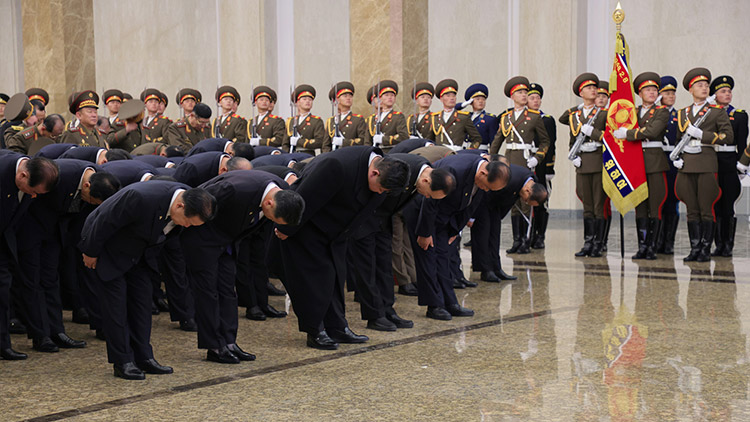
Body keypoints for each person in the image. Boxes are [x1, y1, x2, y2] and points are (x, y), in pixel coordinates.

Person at [271, 146, 409, 350]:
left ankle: (337, 326)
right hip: (307, 228)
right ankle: (315, 330)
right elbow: (305, 198)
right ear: (374, 172)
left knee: (336, 277)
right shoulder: (335, 166)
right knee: (314, 282)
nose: (381, 193)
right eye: (381, 188)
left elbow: (367, 210)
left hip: (337, 232)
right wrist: (286, 228)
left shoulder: (384, 173)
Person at [79, 181, 217, 379]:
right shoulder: (140, 197)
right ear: (180, 206)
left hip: (141, 254)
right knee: (116, 308)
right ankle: (122, 361)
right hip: (110, 250)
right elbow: (103, 220)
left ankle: (144, 357)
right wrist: (90, 251)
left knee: (142, 306)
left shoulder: (187, 199)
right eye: (188, 222)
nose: (187, 227)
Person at [182, 170, 304, 363]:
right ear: (269, 203)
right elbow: (197, 203)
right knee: (208, 292)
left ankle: (229, 342)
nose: (270, 220)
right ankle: (214, 346)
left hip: (229, 241)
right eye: (272, 218)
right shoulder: (231, 189)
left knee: (228, 290)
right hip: (203, 240)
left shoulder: (282, 190)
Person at [15, 159, 120, 353]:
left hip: (55, 232)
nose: (89, 203)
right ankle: (40, 336)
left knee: (51, 279)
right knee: (32, 280)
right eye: (90, 200)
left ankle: (57, 331)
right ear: (86, 186)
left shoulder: (100, 178)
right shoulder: (60, 174)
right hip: (30, 229)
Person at [348, 152, 455, 331]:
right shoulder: (403, 166)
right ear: (426, 182)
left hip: (384, 219)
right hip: (365, 219)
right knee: (367, 268)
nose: (426, 198)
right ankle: (374, 315)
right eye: (428, 195)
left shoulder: (424, 169)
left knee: (384, 265)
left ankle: (388, 310)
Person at [404, 154, 510, 320]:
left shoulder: (481, 180)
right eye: (488, 186)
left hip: (443, 217)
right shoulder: (454, 170)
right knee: (428, 258)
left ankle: (450, 302)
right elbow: (429, 201)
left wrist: (455, 231)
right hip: (423, 212)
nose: (487, 190)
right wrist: (425, 233)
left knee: (443, 257)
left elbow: (471, 206)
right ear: (483, 173)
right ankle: (434, 306)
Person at [0, 154, 59, 360]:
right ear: (23, 175)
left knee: (3, 292)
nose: (33, 197)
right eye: (33, 191)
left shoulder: (28, 176)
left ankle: (3, 346)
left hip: (5, 238)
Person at [672, 68, 733, 262]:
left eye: (706, 85)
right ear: (691, 90)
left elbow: (727, 136)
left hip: (706, 163)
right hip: (687, 165)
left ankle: (706, 248)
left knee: (706, 208)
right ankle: (695, 247)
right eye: (700, 85)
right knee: (691, 209)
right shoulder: (683, 113)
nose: (704, 88)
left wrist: (704, 135)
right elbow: (678, 139)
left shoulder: (716, 112)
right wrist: (676, 158)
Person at [613, 72, 669, 260]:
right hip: (636, 163)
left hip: (654, 162)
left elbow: (652, 131)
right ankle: (642, 246)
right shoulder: (632, 112)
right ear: (640, 93)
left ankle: (652, 246)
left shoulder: (662, 111)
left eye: (654, 90)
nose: (652, 93)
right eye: (647, 90)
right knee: (640, 207)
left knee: (655, 205)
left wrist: (628, 134)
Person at [490, 76, 550, 254]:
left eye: (525, 92)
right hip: (509, 160)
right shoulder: (506, 118)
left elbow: (545, 142)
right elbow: (497, 140)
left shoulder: (534, 117)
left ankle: (525, 239)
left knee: (525, 200)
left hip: (525, 160)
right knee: (513, 200)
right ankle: (516, 239)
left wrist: (537, 158)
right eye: (520, 93)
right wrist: (490, 158)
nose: (524, 95)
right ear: (512, 96)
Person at [559, 73, 608, 258]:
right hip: (582, 162)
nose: (593, 90)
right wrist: (574, 156)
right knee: (586, 205)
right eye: (588, 88)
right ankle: (587, 242)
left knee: (598, 205)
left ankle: (598, 243)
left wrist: (593, 132)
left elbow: (609, 138)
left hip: (598, 160)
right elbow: (569, 130)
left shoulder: (604, 113)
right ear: (581, 93)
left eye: (595, 88)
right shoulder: (575, 115)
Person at [711, 75, 747, 257]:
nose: (727, 94)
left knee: (728, 205)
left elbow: (742, 143)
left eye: (729, 91)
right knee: (715, 205)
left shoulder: (739, 115)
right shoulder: (708, 114)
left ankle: (728, 245)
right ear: (714, 95)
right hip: (712, 163)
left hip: (730, 163)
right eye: (722, 91)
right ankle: (718, 245)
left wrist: (742, 165)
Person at [526, 83, 556, 249]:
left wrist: (549, 168)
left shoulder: (547, 120)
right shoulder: (522, 118)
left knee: (541, 200)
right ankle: (527, 234)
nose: (536, 101)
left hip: (542, 165)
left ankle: (540, 235)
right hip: (526, 162)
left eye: (538, 98)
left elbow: (550, 145)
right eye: (532, 98)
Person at [655, 76, 681, 254]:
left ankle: (668, 241)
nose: (671, 96)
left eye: (673, 93)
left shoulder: (680, 116)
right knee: (657, 203)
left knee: (672, 202)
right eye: (666, 93)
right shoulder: (653, 114)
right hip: (657, 160)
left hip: (673, 162)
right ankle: (656, 240)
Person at [427, 79, 482, 149]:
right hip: (439, 154)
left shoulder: (463, 117)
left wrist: (468, 151)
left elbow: (477, 138)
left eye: (453, 96)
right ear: (441, 99)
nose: (452, 98)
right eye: (448, 96)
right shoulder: (435, 117)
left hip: (456, 154)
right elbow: (429, 139)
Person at [364, 80, 409, 151]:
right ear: (380, 98)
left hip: (392, 152)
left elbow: (403, 137)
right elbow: (367, 141)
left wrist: (383, 139)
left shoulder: (398, 117)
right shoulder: (372, 119)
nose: (390, 97)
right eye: (386, 95)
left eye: (392, 95)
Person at [325, 81, 367, 149]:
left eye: (350, 96)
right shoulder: (331, 121)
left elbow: (362, 140)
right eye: (345, 96)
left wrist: (343, 142)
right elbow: (326, 145)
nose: (348, 98)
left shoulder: (357, 120)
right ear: (337, 100)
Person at [463, 83, 499, 150]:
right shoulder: (466, 116)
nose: (481, 101)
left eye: (483, 99)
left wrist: (492, 157)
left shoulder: (490, 119)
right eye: (477, 99)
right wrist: (464, 104)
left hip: (480, 151)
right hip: (464, 151)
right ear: (471, 102)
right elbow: (453, 110)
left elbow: (493, 142)